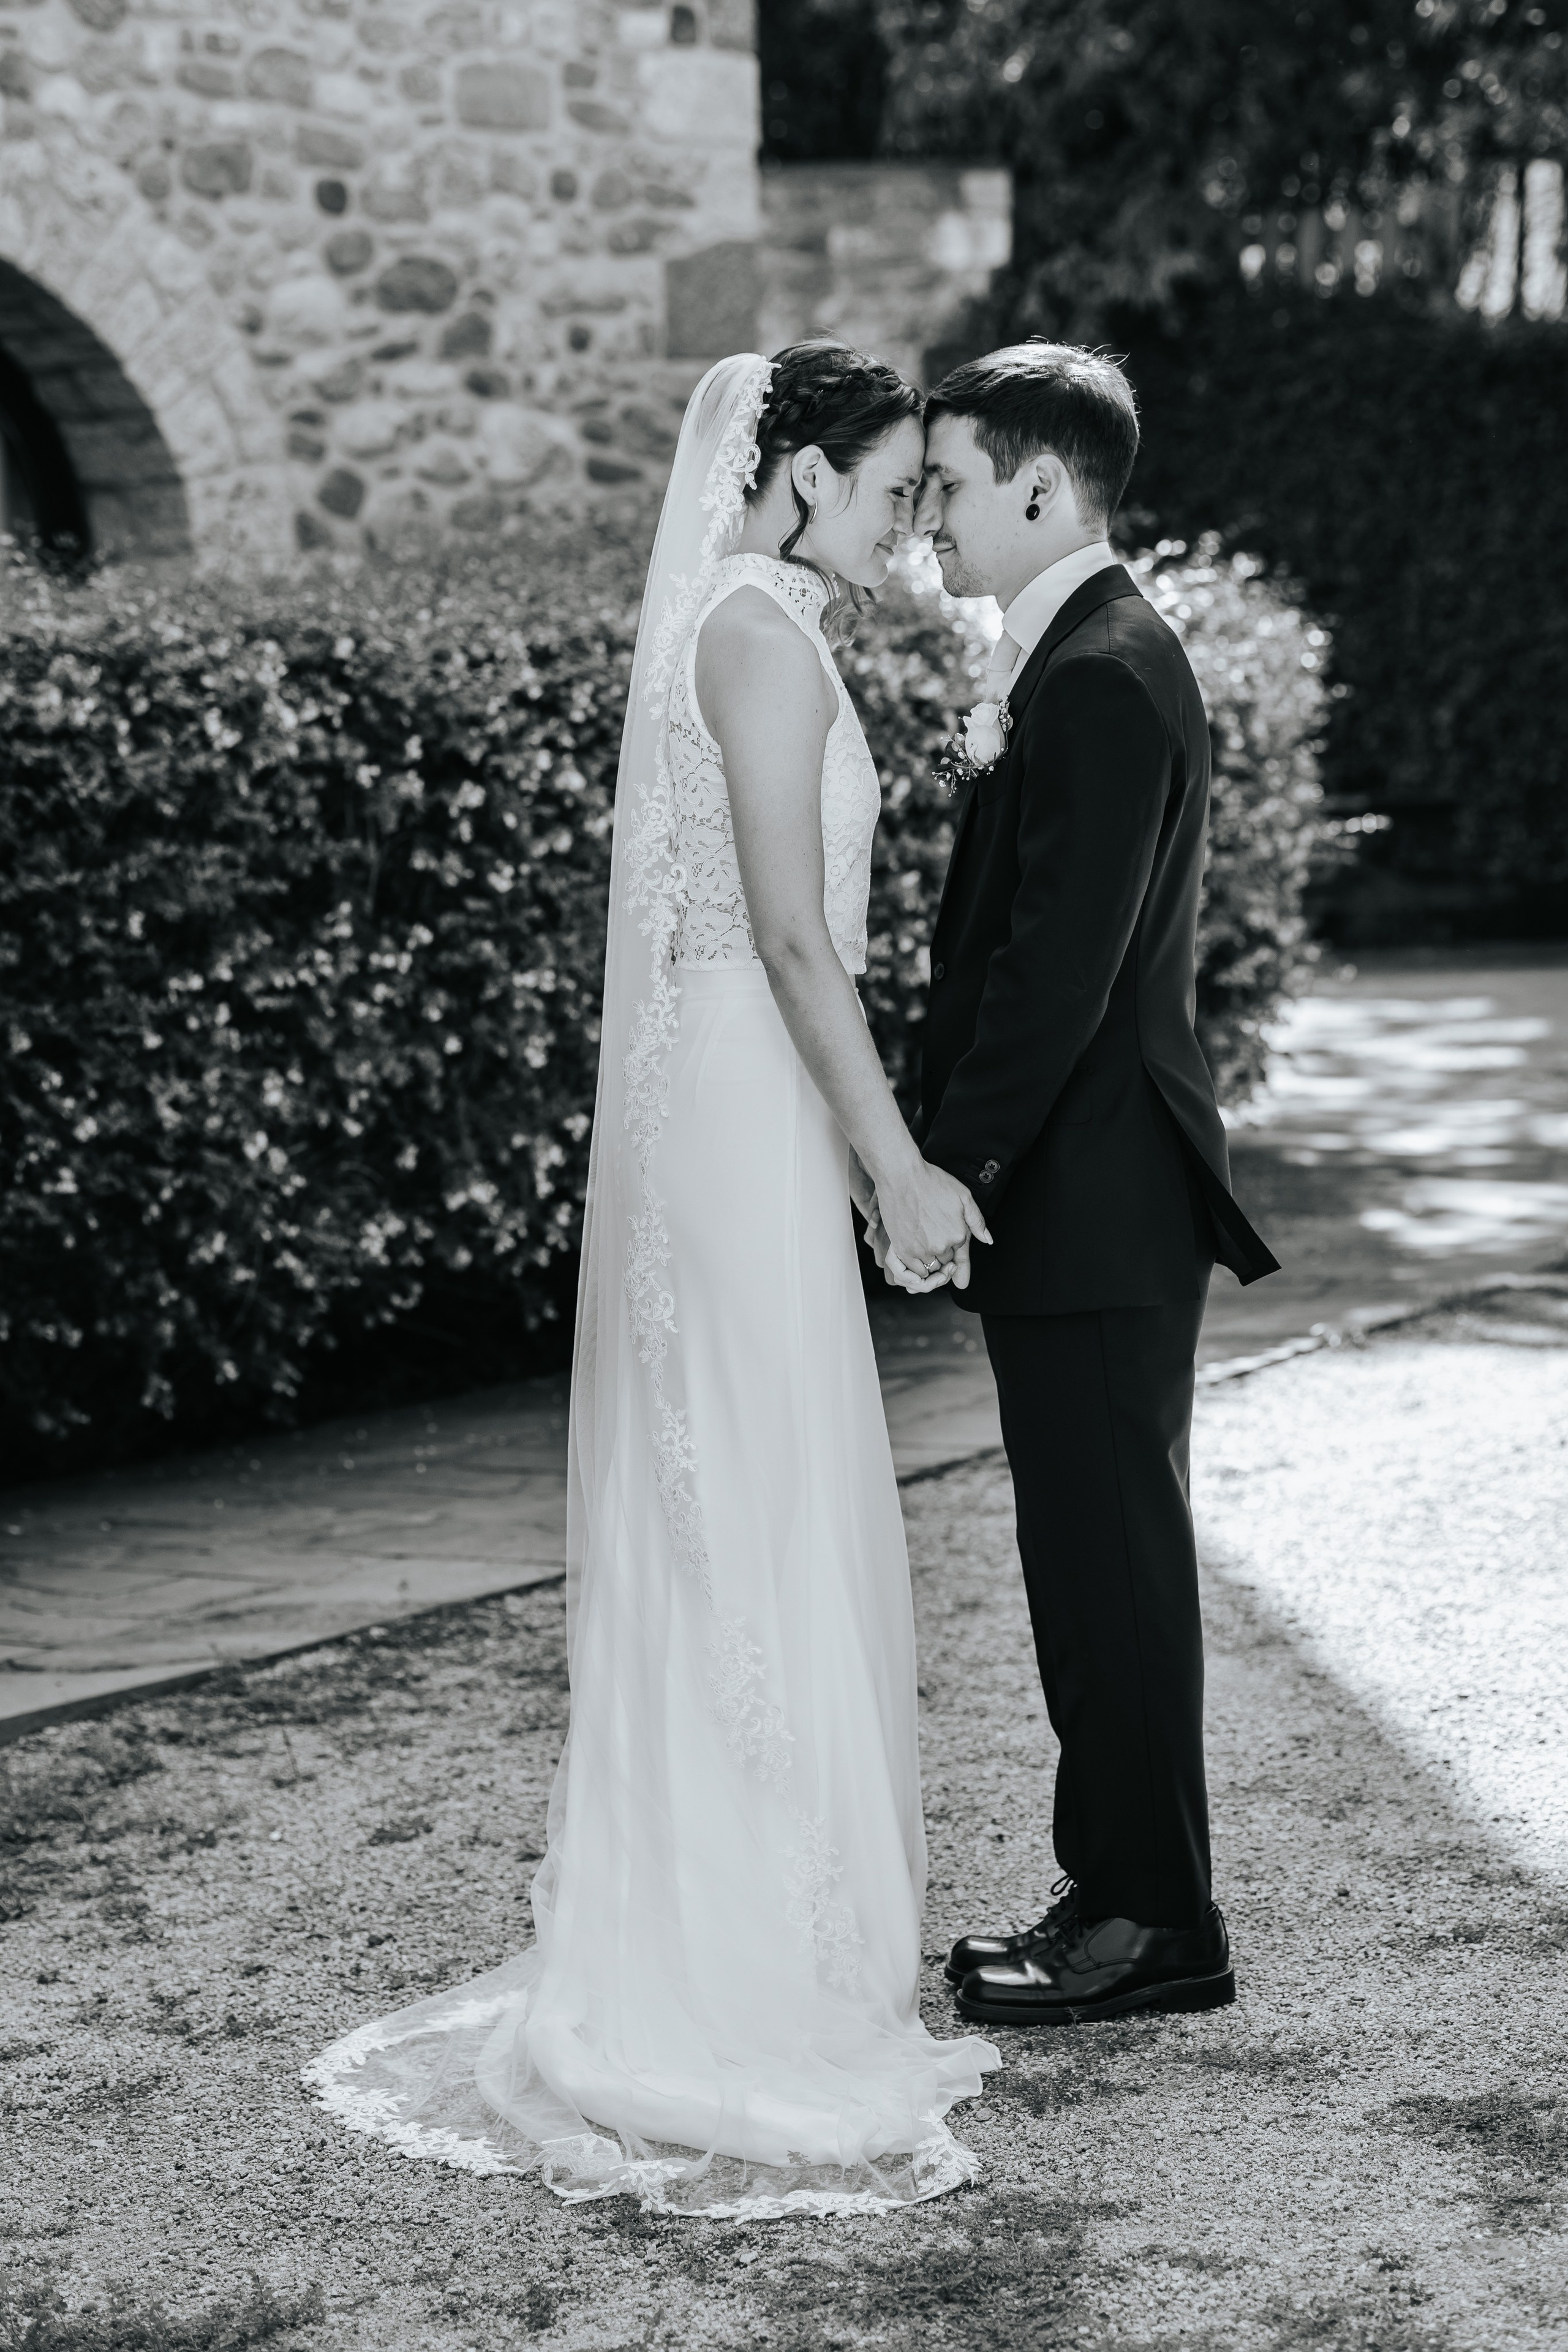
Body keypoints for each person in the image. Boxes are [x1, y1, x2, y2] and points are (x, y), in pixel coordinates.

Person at [303, 344, 999, 2219]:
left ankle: (757, 1927)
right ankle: (736, 1971)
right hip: (752, 1096)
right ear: (789, 474)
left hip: (741, 1096)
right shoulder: (761, 635)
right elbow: (785, 930)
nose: (907, 519)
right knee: (748, 1496)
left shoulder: (740, 615)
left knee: (743, 1493)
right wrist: (896, 1157)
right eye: (885, 486)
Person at [880, 340, 1280, 2029]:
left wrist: (939, 1165)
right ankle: (1112, 1882)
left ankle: (1153, 1927)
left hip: (1096, 1198)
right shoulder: (1078, 661)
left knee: (1111, 1564)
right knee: (1085, 1560)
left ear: (1043, 487)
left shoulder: (1105, 673)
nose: (932, 530)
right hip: (1085, 1196)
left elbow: (1058, 969)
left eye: (954, 488)